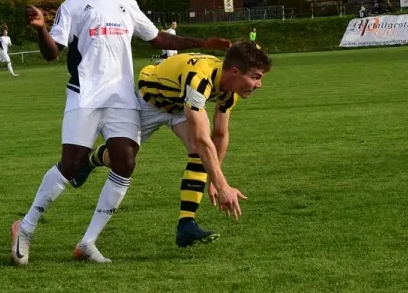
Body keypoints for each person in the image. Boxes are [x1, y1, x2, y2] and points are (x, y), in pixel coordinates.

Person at [10, 0, 232, 266]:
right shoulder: (72, 7)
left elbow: (156, 37)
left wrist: (200, 42)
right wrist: (42, 29)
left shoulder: (125, 1)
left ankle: (88, 242)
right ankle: (25, 227)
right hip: (85, 94)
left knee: (125, 162)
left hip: (122, 98)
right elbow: (52, 53)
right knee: (71, 164)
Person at [71, 42, 272, 247]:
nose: (259, 85)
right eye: (255, 77)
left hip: (178, 105)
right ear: (236, 72)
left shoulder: (229, 91)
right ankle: (89, 160)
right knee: (120, 159)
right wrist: (222, 186)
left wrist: (215, 179)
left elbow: (220, 134)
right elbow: (204, 139)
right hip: (148, 101)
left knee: (198, 152)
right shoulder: (199, 80)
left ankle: (186, 225)